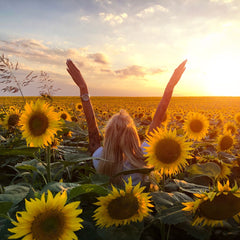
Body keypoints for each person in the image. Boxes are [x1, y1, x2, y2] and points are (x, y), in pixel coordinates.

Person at [66, 59, 187, 185]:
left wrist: (83, 88)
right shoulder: (143, 158)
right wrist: (171, 85)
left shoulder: (100, 160)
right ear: (133, 135)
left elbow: (92, 130)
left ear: (109, 135)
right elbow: (158, 119)